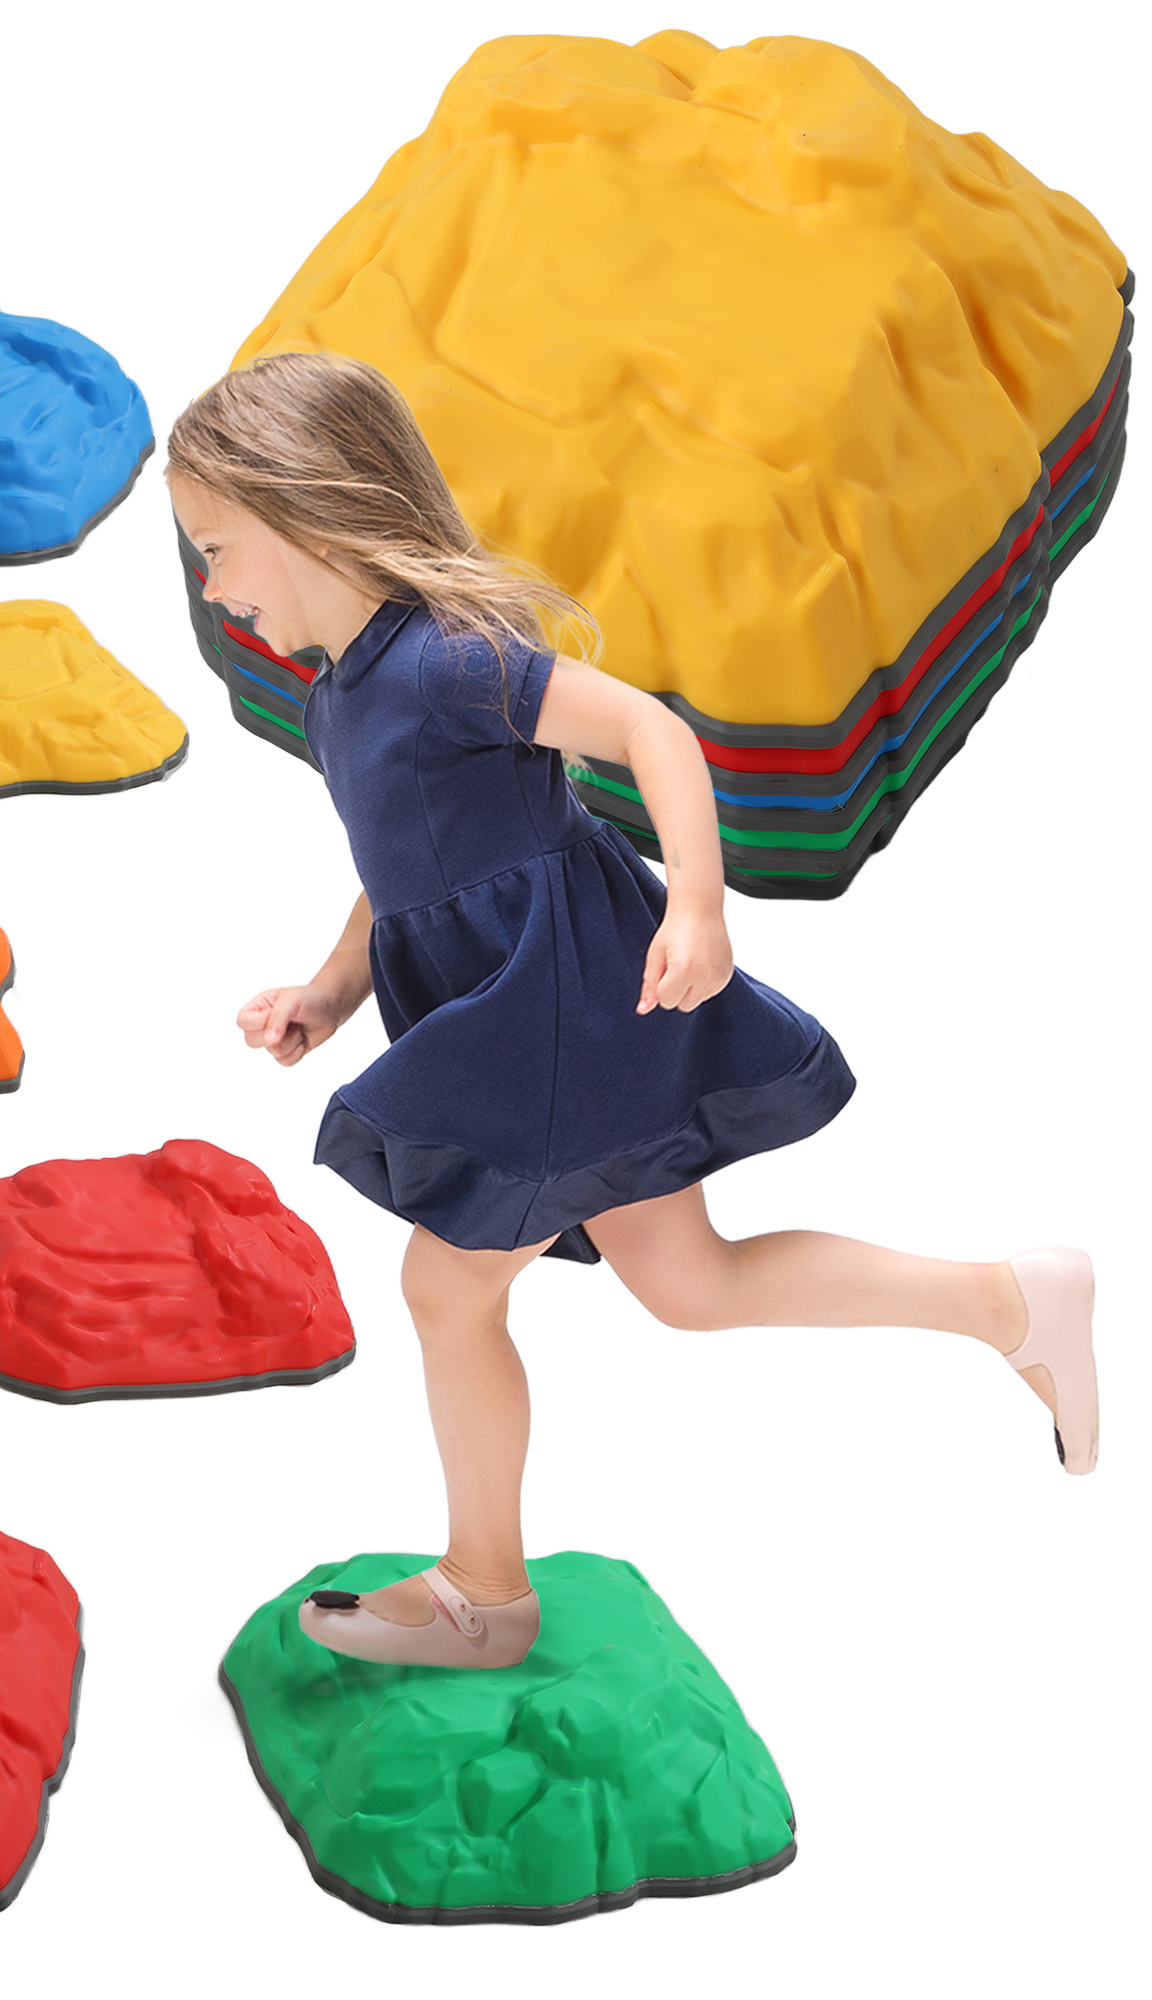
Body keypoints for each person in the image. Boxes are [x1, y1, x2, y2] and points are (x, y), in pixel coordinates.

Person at [166, 352, 1099, 1671]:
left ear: (308, 514)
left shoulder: (448, 662)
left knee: (445, 1285)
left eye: (217, 549)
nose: (213, 588)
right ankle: (1013, 1303)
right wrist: (332, 986)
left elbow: (653, 733)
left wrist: (699, 905)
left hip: (557, 1005)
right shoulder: (341, 696)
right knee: (690, 1284)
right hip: (526, 1008)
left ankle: (485, 1596)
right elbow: (406, 866)